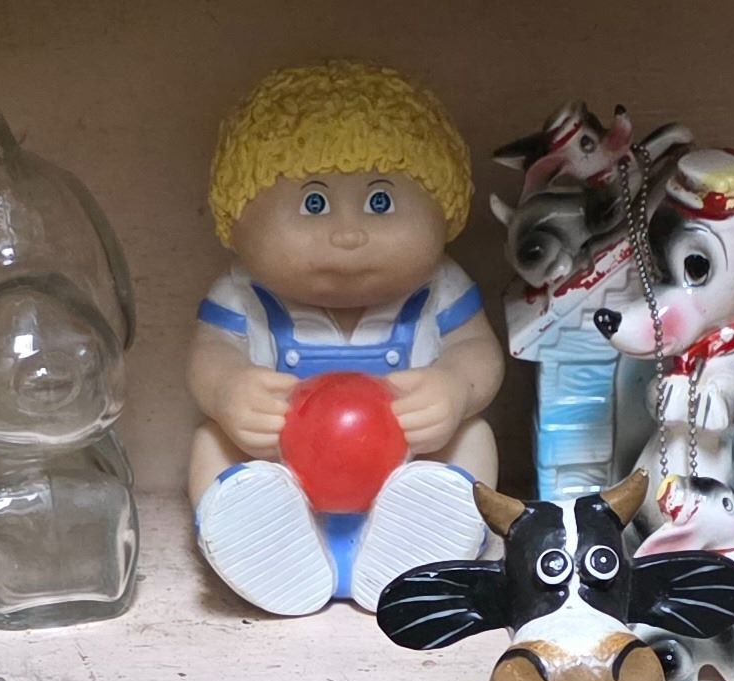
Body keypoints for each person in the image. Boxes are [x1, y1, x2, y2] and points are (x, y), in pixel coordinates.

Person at [188, 61, 503, 615]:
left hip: (407, 471)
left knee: (474, 435)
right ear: (235, 219)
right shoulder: (243, 294)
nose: (349, 233)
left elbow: (477, 351)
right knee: (211, 442)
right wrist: (229, 390)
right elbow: (208, 356)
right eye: (315, 204)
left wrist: (454, 387)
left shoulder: (439, 288)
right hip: (283, 475)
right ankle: (260, 540)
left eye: (381, 202)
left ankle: (427, 537)